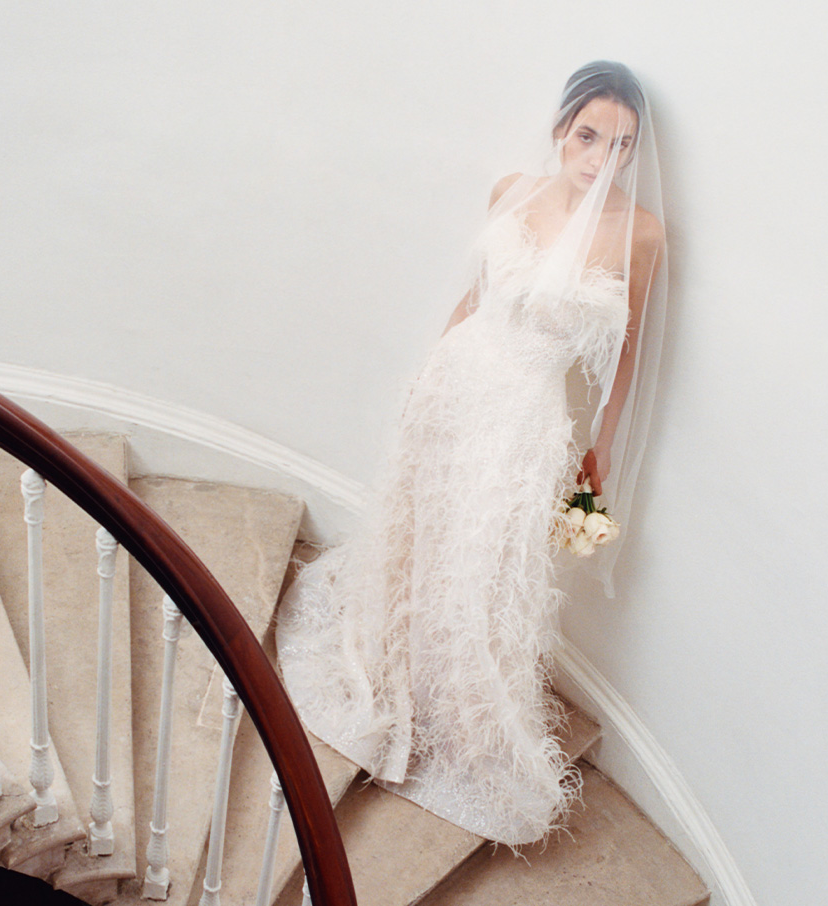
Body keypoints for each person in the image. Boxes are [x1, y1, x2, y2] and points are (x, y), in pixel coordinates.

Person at [276, 61, 667, 845]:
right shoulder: (511, 190)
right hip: (458, 382)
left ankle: (458, 701)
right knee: (423, 526)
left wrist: (602, 452)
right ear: (561, 129)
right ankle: (393, 656)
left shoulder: (644, 235)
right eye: (587, 136)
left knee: (482, 557)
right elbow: (475, 297)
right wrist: (429, 372)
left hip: (523, 414)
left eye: (619, 146)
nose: (598, 159)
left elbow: (628, 353)